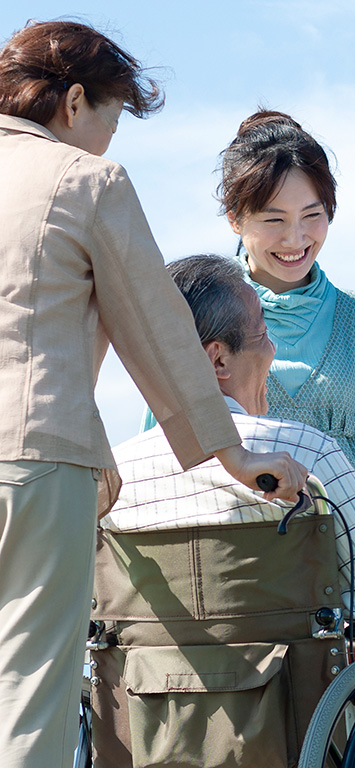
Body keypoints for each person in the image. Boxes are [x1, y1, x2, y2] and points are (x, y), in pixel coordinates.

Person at [0, 21, 305, 768]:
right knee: (28, 692)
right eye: (111, 120)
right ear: (75, 101)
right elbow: (159, 329)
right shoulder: (83, 179)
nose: (108, 140)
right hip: (36, 455)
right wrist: (233, 456)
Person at [101, 254, 355, 768]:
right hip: (299, 723)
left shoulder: (113, 477)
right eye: (263, 333)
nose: (273, 349)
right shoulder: (305, 455)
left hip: (150, 727)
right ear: (218, 360)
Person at [219, 109, 355, 494]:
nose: (295, 239)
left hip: (345, 526)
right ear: (235, 218)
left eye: (312, 215)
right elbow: (163, 448)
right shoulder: (200, 312)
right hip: (236, 527)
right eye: (274, 220)